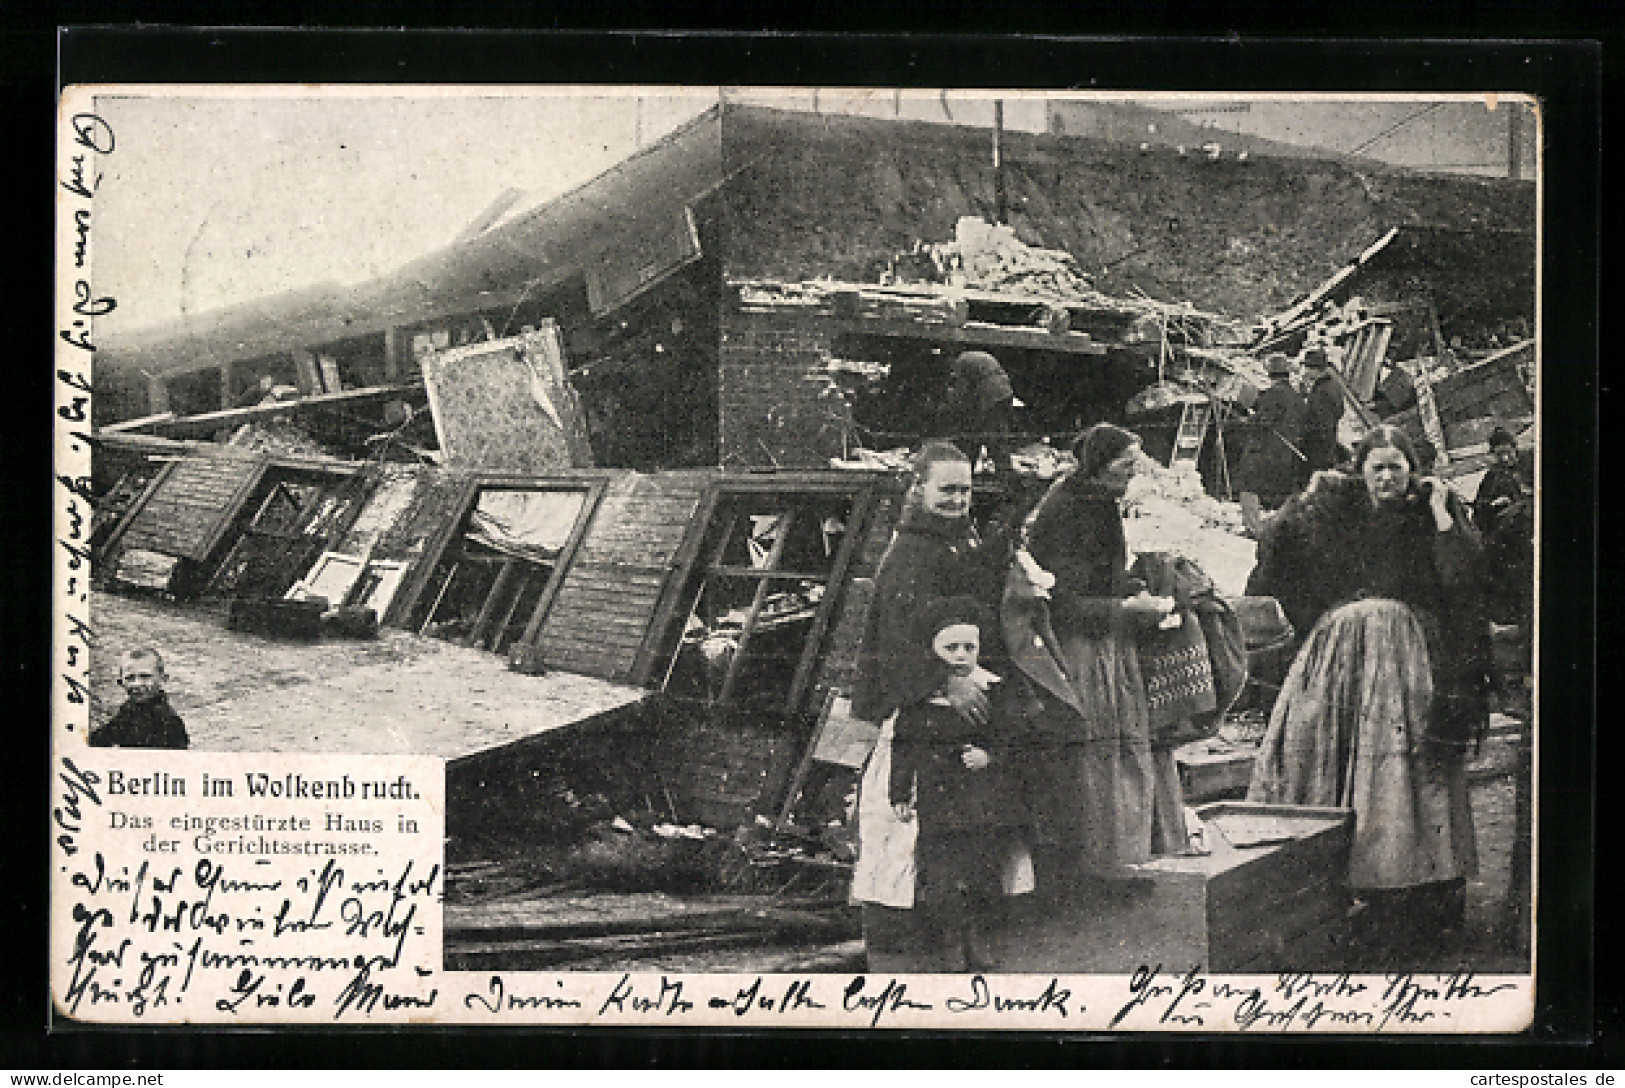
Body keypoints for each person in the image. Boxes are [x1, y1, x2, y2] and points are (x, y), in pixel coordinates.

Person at [1245, 425, 1491, 953]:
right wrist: (1300, 504)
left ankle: (1406, 890)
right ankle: (1331, 885)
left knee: (1399, 774)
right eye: (1376, 467)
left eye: (1395, 467)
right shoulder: (1333, 516)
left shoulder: (1432, 516)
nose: (1386, 477)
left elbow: (1463, 581)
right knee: (1325, 761)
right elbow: (1276, 562)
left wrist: (1446, 518)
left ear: (1411, 470)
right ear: (1361, 471)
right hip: (1338, 659)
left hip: (1405, 658)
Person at [850, 440, 1011, 966]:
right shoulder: (909, 553)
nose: (958, 499)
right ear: (918, 488)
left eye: (965, 490)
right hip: (920, 709)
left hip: (950, 711)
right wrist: (947, 681)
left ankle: (955, 934)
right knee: (907, 826)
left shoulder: (956, 540)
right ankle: (906, 945)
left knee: (961, 828)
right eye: (946, 489)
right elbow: (896, 638)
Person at [1009, 423, 1187, 887]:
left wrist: (1134, 588)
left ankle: (1120, 857)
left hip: (1109, 648)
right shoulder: (1065, 509)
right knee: (1095, 757)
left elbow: (1104, 576)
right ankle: (1095, 865)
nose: (1132, 475)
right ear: (1101, 466)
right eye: (1125, 466)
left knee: (1120, 753)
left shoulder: (1100, 502)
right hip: (1080, 653)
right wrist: (1126, 610)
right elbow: (1063, 604)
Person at [888, 596, 1012, 971]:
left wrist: (990, 757)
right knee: (940, 873)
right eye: (950, 648)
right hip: (937, 799)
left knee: (982, 870)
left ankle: (978, 938)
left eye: (968, 647)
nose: (960, 655)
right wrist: (899, 794)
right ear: (933, 650)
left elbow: (1010, 738)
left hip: (979, 800)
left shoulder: (990, 689)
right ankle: (950, 941)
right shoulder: (920, 700)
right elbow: (903, 747)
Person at [1236, 352, 1308, 535]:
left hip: (1266, 451)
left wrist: (1246, 421)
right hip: (1287, 453)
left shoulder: (1273, 394)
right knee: (1282, 494)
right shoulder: (1296, 396)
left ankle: (1253, 528)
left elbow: (1263, 423)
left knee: (1247, 485)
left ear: (1270, 373)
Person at [90, 648, 190, 749]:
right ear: (121, 683)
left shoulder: (169, 722)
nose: (137, 684)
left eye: (145, 676)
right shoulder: (127, 712)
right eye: (130, 678)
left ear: (163, 679)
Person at [938, 350, 1016, 478]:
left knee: (975, 436)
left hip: (989, 395)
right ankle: (1005, 476)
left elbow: (962, 391)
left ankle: (968, 473)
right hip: (1004, 392)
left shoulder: (961, 364)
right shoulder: (971, 359)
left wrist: (952, 407)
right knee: (998, 438)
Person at [1473, 426, 1529, 538]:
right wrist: (1493, 505)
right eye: (1499, 454)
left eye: (1508, 452)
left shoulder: (1528, 467)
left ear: (1515, 449)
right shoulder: (1492, 476)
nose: (1505, 458)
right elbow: (1479, 509)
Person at [1299, 347, 1345, 478]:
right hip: (1329, 444)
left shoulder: (1322, 390)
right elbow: (1340, 411)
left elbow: (1319, 422)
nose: (1305, 372)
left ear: (1313, 368)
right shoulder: (1333, 384)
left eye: (1307, 368)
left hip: (1318, 448)